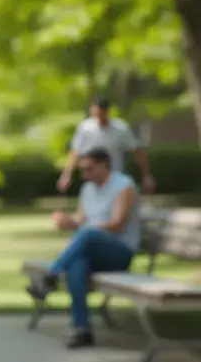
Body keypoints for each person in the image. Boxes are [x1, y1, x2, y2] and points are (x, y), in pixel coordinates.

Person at [29, 147, 140, 349]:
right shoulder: (87, 189)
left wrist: (84, 229)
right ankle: (83, 330)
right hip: (92, 251)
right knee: (77, 266)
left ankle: (50, 277)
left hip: (120, 252)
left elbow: (118, 224)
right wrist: (68, 222)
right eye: (82, 170)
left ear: (104, 165)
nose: (85, 174)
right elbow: (80, 222)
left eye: (89, 169)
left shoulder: (124, 186)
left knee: (87, 235)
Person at [57, 97, 154, 194]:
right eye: (96, 112)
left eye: (101, 112)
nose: (99, 116)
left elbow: (137, 152)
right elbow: (75, 152)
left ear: (107, 111)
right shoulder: (85, 128)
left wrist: (146, 175)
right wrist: (66, 175)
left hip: (115, 178)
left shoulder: (120, 128)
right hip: (93, 179)